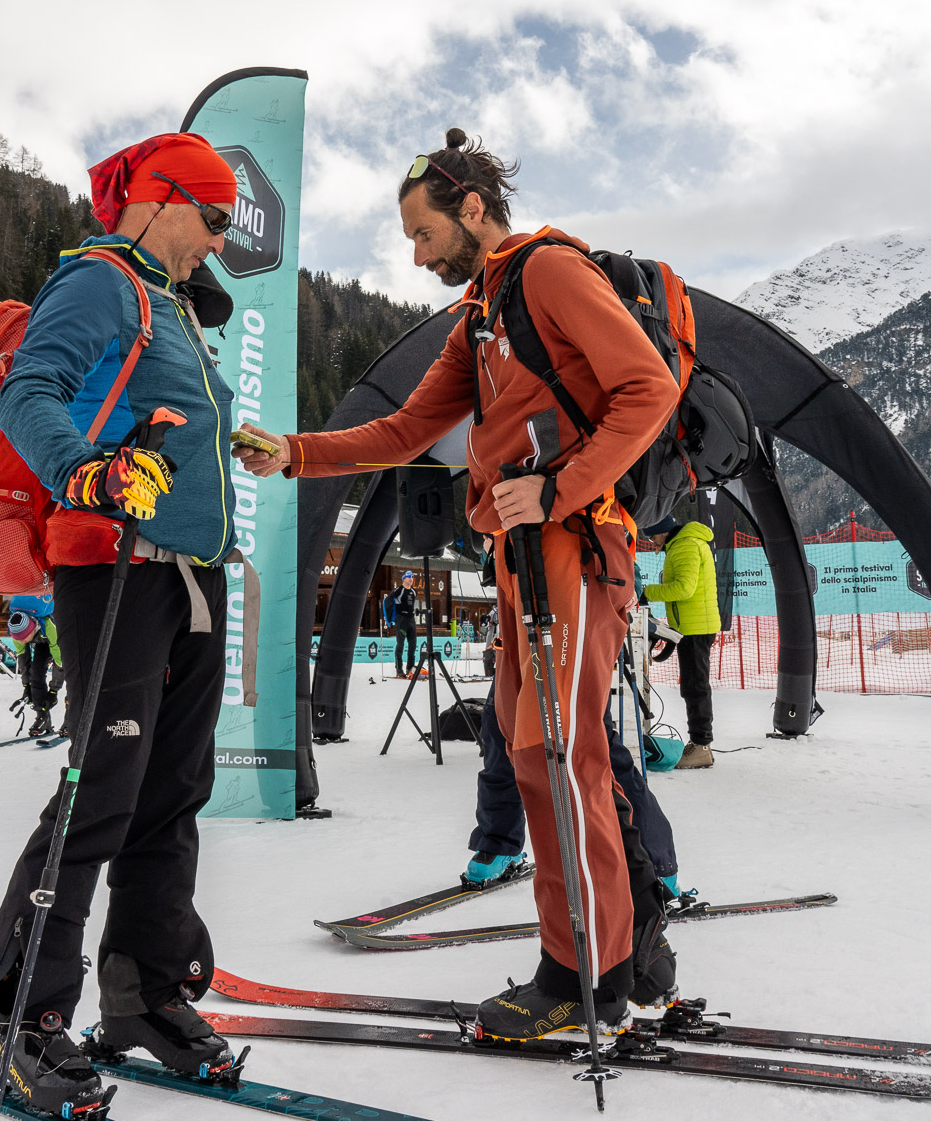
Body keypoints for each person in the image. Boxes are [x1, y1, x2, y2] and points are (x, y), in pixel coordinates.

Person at [235, 128, 681, 1040]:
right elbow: (405, 431)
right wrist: (295, 453)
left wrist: (559, 487)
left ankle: (590, 972)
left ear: (473, 208)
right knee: (532, 754)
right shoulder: (481, 314)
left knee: (562, 758)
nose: (416, 253)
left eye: (423, 232)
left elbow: (648, 388)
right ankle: (609, 951)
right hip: (522, 559)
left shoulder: (548, 273)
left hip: (574, 547)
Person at [0, 131, 243, 1114]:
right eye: (214, 216)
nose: (219, 240)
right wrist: (87, 472)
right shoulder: (101, 282)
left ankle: (144, 996)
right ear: (161, 198)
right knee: (100, 794)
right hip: (113, 565)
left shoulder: (173, 303)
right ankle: (22, 1019)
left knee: (172, 795)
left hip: (191, 577)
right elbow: (30, 393)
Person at [644, 518, 721, 769]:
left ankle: (701, 746)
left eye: (652, 537)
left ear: (662, 531)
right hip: (691, 626)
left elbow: (684, 589)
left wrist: (647, 592)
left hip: (696, 627)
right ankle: (700, 744)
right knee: (692, 685)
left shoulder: (686, 545)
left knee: (695, 686)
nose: (652, 543)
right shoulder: (681, 544)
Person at [8, 592, 61, 733]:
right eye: (18, 639)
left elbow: (60, 662)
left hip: (61, 638)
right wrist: (26, 686)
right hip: (41, 641)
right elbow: (23, 661)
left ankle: (71, 720)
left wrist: (54, 691)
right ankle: (42, 716)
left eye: (23, 639)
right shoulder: (16, 629)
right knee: (36, 674)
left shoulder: (49, 626)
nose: (20, 642)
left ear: (31, 630)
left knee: (72, 677)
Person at [383, 571, 419, 677]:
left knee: (413, 646)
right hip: (401, 620)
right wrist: (390, 617)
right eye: (409, 576)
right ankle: (399, 669)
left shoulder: (414, 591)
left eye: (412, 577)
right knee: (400, 645)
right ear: (404, 578)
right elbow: (387, 602)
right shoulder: (398, 590)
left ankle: (410, 669)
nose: (411, 578)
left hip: (411, 620)